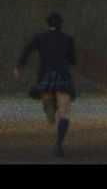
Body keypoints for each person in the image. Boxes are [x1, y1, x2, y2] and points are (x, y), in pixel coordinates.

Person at [15, 11, 77, 157]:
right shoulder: (68, 39)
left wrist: (19, 66)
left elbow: (27, 50)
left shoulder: (40, 37)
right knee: (64, 112)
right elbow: (73, 60)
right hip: (62, 76)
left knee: (46, 94)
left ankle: (48, 104)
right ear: (61, 24)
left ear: (48, 24)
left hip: (46, 75)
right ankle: (59, 145)